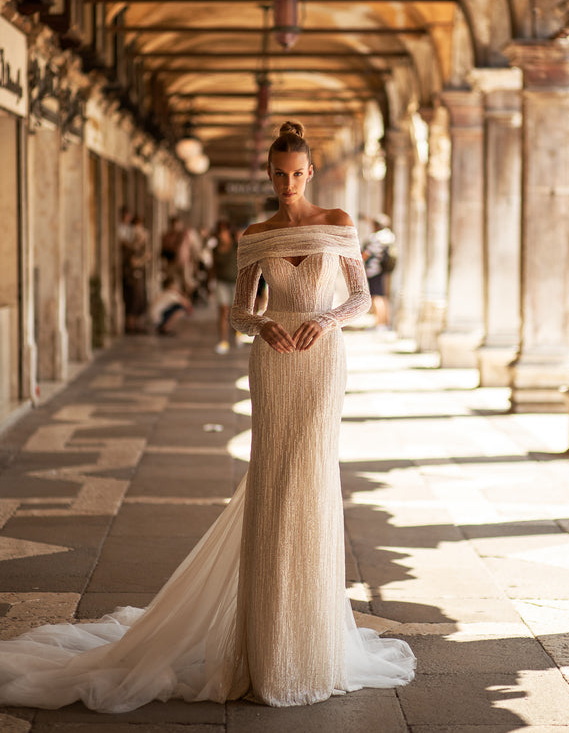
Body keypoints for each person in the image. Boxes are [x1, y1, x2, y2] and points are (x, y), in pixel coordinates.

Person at [0, 121, 415, 713]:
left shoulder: (340, 223)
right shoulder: (255, 233)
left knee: (313, 479)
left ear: (311, 173)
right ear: (268, 174)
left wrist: (324, 321)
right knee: (274, 483)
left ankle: (311, 641)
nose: (288, 183)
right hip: (273, 362)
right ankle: (266, 643)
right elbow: (240, 313)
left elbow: (358, 298)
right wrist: (265, 323)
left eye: (297, 174)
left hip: (322, 362)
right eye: (278, 174)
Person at [362, 213, 396, 329]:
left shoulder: (376, 238)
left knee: (376, 297)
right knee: (382, 296)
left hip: (373, 270)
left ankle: (380, 324)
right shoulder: (388, 236)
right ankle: (385, 322)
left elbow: (366, 254)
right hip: (381, 270)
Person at [210, 219, 239, 354]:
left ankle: (237, 334)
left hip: (235, 282)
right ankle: (223, 340)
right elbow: (213, 268)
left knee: (235, 312)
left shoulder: (236, 246)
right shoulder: (215, 250)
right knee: (223, 311)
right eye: (219, 231)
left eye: (224, 231)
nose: (221, 234)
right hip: (221, 282)